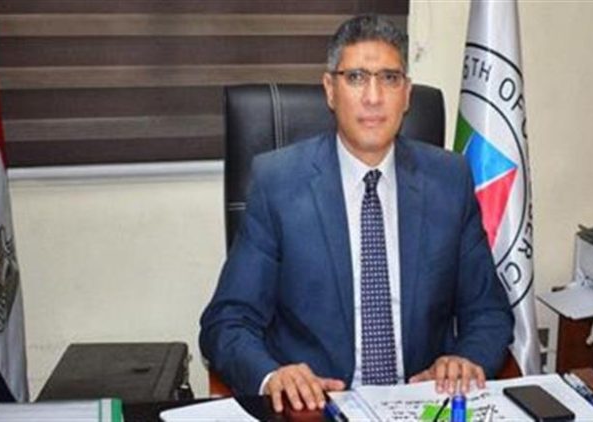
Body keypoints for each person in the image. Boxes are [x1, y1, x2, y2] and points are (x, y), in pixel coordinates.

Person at [199, 14, 513, 413]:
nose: (373, 97)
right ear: (330, 90)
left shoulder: (448, 180)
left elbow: (488, 311)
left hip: (420, 404)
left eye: (390, 78)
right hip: (316, 407)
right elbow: (227, 322)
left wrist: (466, 359)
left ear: (406, 94)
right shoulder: (278, 183)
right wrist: (272, 375)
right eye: (356, 78)